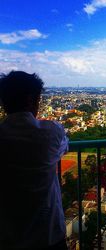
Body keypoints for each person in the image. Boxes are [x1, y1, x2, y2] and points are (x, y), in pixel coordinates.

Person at [0, 71, 68, 249]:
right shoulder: (50, 132)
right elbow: (63, 146)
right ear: (31, 100)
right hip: (49, 233)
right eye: (39, 100)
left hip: (9, 236)